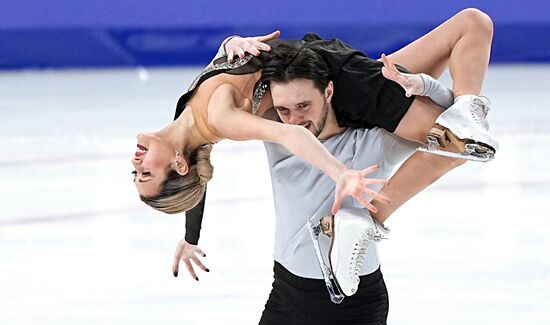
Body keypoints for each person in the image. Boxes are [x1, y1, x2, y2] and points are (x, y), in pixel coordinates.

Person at [171, 8, 497, 294]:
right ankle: (467, 108)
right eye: (284, 110)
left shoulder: (221, 109)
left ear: (328, 93)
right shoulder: (208, 106)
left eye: (302, 107)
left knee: (459, 137)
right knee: (472, 28)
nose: (294, 121)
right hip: (351, 70)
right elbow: (196, 157)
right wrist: (191, 235)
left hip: (355, 84)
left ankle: (364, 220)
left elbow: (281, 135)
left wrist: (232, 44)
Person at [133, 8, 497, 219]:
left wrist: (231, 43)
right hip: (344, 84)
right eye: (145, 172)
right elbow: (291, 134)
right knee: (459, 142)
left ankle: (465, 107)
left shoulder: (187, 113)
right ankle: (369, 219)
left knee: (472, 25)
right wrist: (342, 174)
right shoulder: (218, 118)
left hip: (343, 74)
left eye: (136, 172)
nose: (136, 162)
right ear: (179, 164)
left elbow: (196, 175)